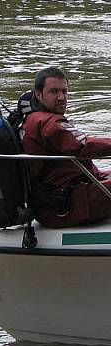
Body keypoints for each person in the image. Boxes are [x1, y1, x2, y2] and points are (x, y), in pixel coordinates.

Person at [22, 66, 111, 228]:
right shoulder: (49, 124)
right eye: (54, 91)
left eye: (64, 91)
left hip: (61, 196)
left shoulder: (34, 118)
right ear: (38, 94)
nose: (61, 97)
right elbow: (83, 145)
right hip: (65, 207)